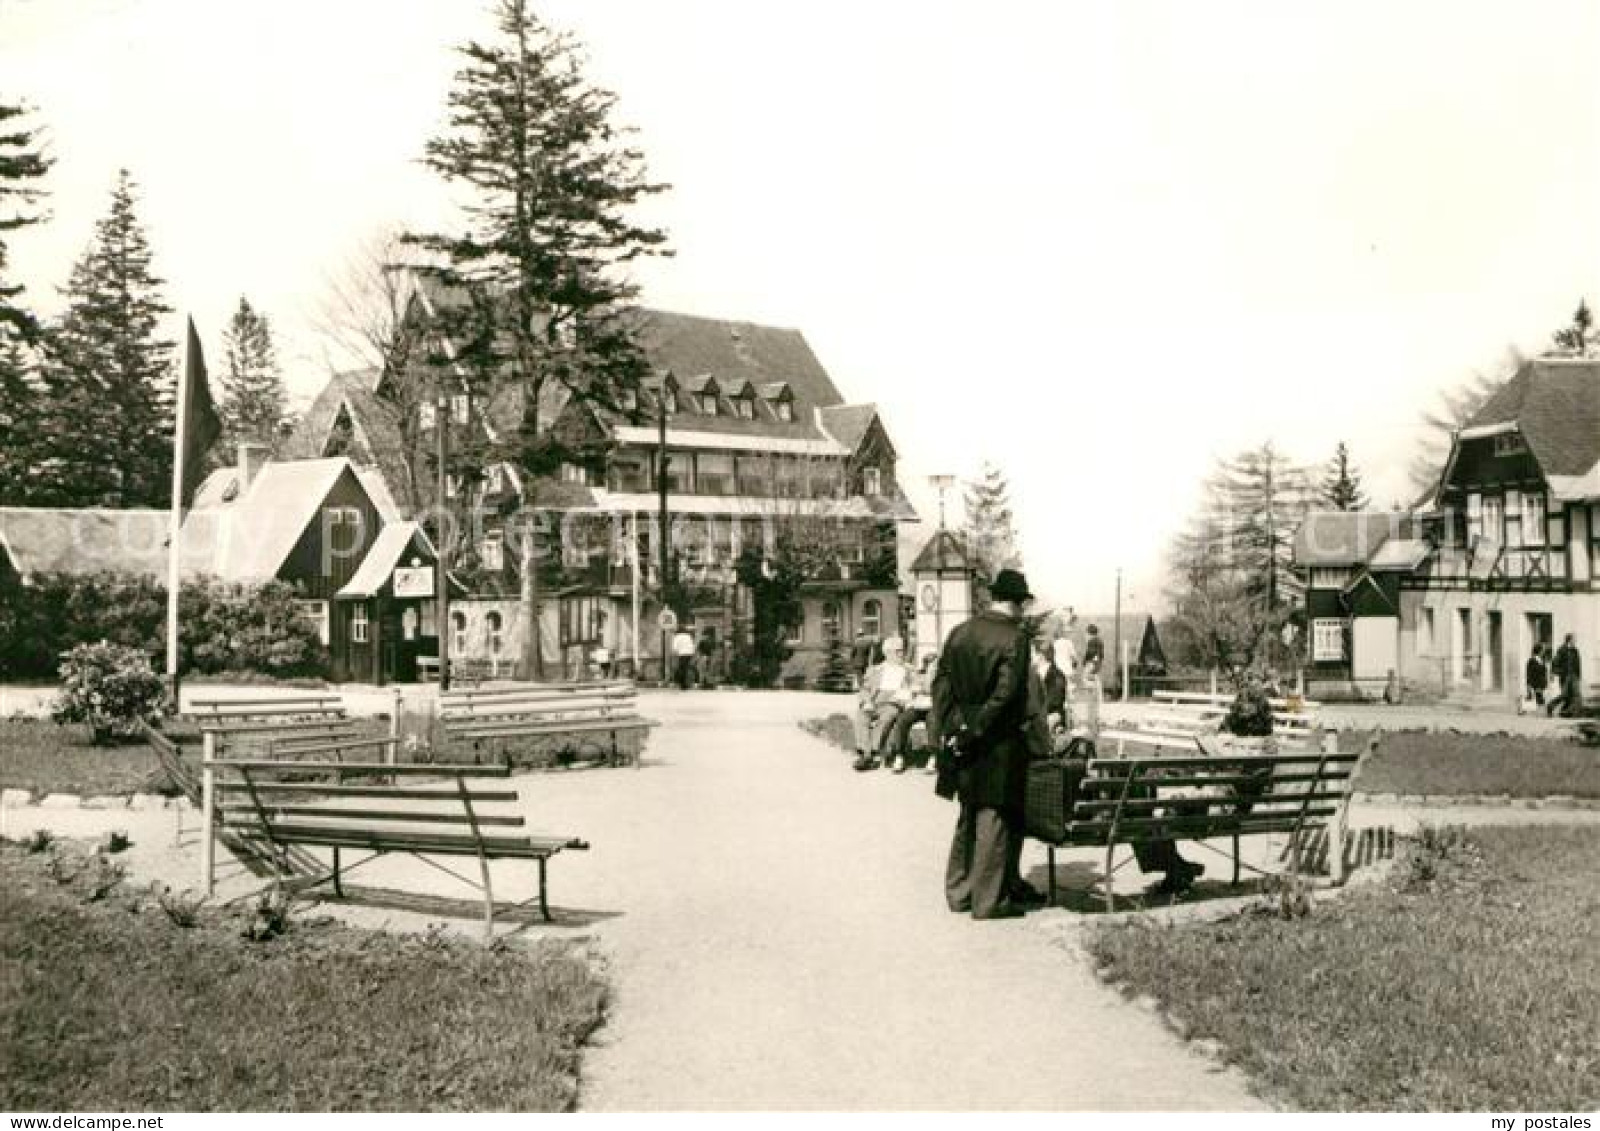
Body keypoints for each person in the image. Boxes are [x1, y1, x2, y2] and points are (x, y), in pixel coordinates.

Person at [930, 568, 1044, 920]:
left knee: (968, 811)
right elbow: (1007, 694)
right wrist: (978, 728)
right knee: (993, 816)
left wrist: (956, 728)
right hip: (998, 740)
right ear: (1017, 603)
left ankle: (959, 893)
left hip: (963, 735)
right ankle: (988, 901)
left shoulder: (960, 633)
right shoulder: (1015, 638)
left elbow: (941, 686)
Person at [852, 636, 912, 771]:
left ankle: (871, 753)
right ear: (887, 653)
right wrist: (866, 702)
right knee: (861, 716)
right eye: (898, 651)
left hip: (893, 702)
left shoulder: (908, 670)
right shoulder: (875, 670)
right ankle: (865, 753)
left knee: (886, 718)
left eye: (902, 650)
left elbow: (912, 689)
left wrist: (902, 698)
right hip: (875, 701)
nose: (901, 654)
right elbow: (865, 689)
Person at [885, 650, 939, 773]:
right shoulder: (916, 674)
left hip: (933, 708)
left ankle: (933, 756)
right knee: (903, 720)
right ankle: (900, 755)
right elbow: (906, 689)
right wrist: (910, 693)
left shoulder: (942, 676)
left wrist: (927, 688)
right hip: (917, 706)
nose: (930, 666)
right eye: (928, 663)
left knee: (933, 721)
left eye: (933, 663)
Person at [1548, 634, 1583, 718]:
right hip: (1565, 675)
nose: (1575, 641)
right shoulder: (1561, 650)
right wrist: (1555, 672)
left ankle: (1574, 713)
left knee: (1576, 694)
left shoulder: (1575, 650)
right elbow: (1555, 662)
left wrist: (1578, 676)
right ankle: (1551, 705)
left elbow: (1578, 663)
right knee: (1565, 695)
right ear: (1569, 640)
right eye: (1574, 640)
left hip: (1574, 675)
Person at [1080, 624, 1104, 735]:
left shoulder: (1092, 642)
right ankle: (1094, 723)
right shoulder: (1100, 642)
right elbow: (1099, 657)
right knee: (1094, 700)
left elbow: (1092, 655)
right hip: (1095, 670)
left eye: (1086, 634)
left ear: (1089, 633)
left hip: (1091, 669)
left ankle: (1091, 725)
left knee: (1090, 700)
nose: (1085, 636)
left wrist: (1087, 666)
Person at [1525, 642, 1549, 710]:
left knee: (1540, 702)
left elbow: (1544, 672)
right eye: (1543, 650)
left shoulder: (1542, 660)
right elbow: (1529, 674)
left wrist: (1545, 682)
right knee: (1539, 702)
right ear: (1539, 650)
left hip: (1542, 684)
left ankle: (1537, 714)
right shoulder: (1532, 660)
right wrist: (1529, 685)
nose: (1544, 651)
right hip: (1535, 685)